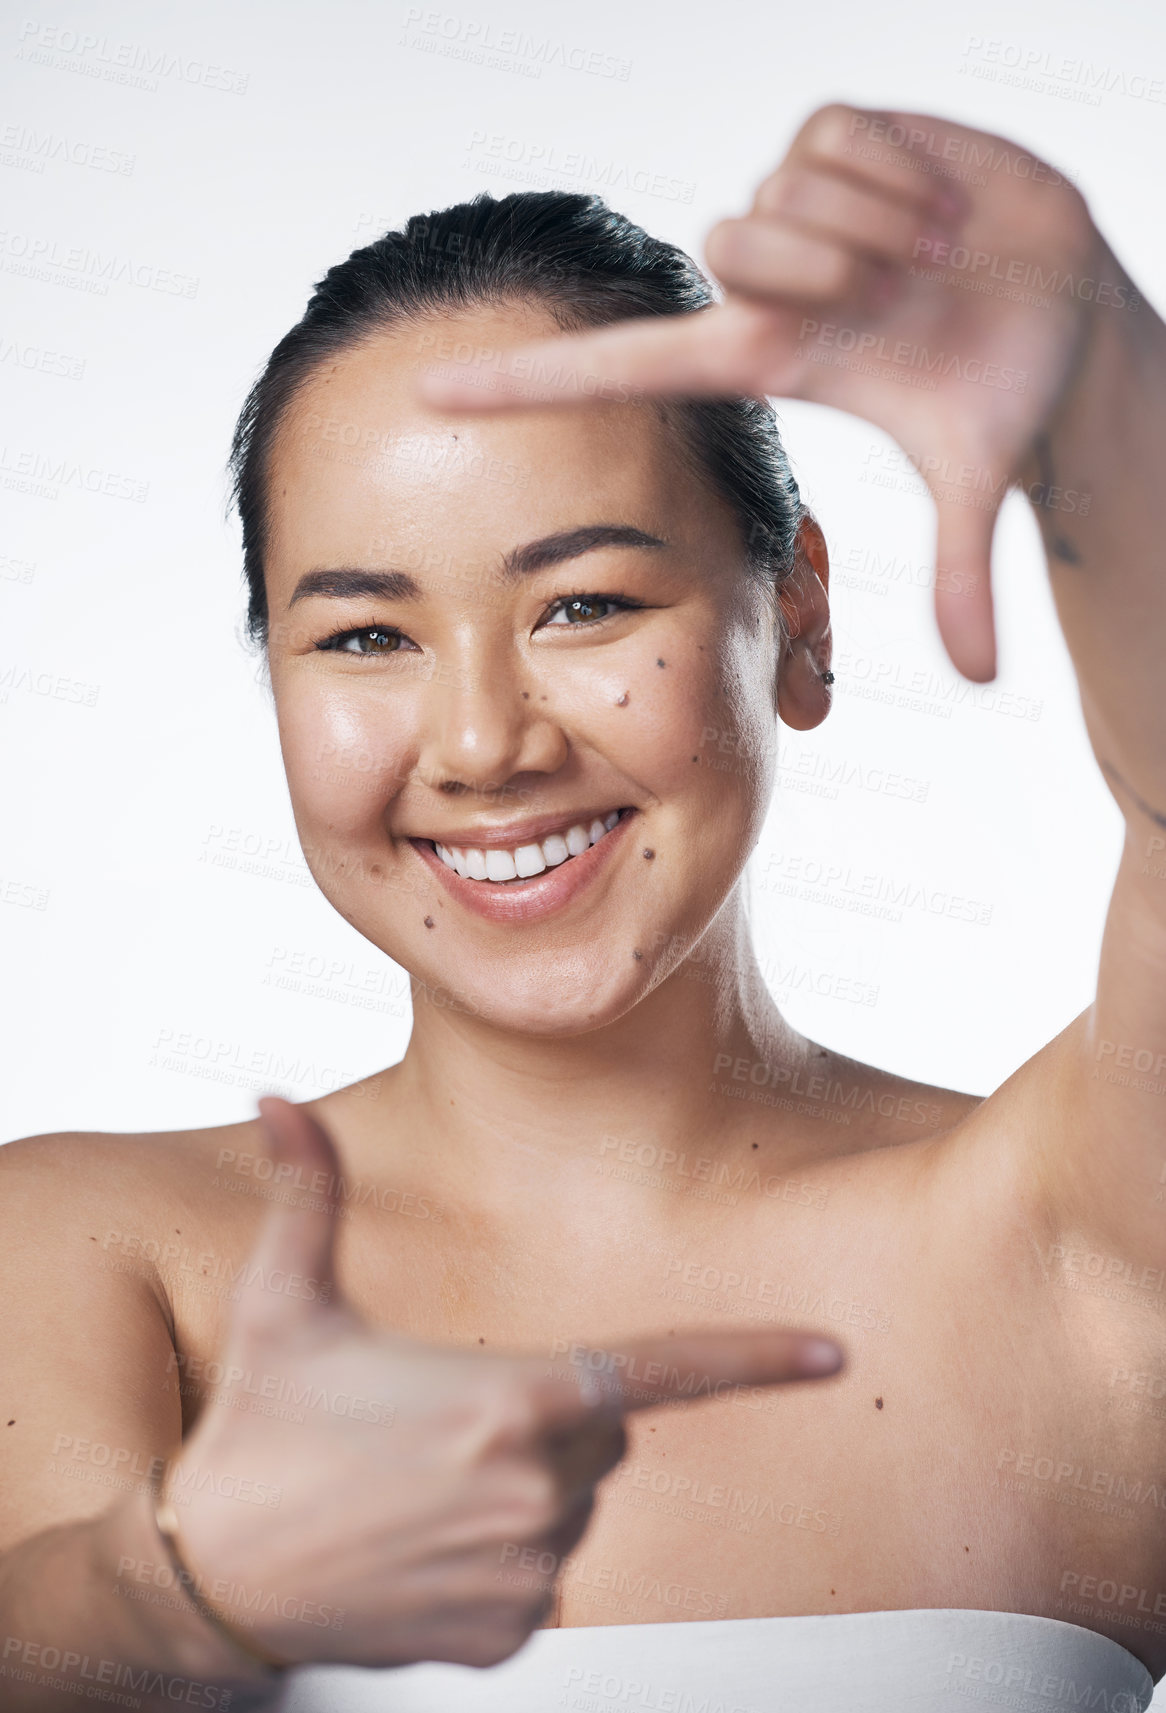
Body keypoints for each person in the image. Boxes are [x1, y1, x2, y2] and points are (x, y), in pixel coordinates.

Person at [3, 98, 1163, 1713]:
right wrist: (183, 1588)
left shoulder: (1073, 1247)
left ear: (800, 615)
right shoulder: (99, 1251)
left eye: (587, 603)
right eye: (360, 634)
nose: (482, 743)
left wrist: (1114, 423)